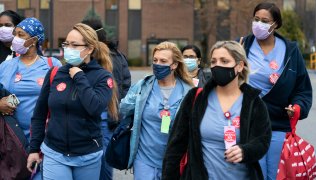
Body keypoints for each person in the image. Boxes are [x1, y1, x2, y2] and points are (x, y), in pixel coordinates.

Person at [162, 41, 272, 180]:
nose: (217, 65)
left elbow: (262, 141)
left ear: (239, 66)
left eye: (224, 61)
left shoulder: (254, 103)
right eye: (214, 61)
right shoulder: (196, 98)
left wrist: (245, 151)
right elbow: (176, 146)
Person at [27, 23, 118, 179]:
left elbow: (94, 108)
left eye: (74, 45)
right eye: (66, 44)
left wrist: (79, 76)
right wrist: (34, 149)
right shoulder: (55, 73)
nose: (68, 48)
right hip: (54, 152)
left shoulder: (103, 77)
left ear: (89, 49)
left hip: (88, 155)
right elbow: (39, 114)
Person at [239, 2, 312, 179]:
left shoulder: (291, 51)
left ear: (276, 24)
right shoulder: (241, 46)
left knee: (276, 175)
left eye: (265, 21)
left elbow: (302, 89)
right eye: (256, 19)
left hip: (278, 126)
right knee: (252, 174)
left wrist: (297, 107)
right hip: (248, 126)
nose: (259, 24)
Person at [119, 41, 193, 180]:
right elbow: (123, 108)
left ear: (174, 65)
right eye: (155, 60)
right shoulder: (144, 85)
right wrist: (135, 97)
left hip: (172, 161)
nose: (158, 64)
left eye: (163, 61)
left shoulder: (187, 91)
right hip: (144, 160)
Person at [82, 18, 131, 180]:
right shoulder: (117, 56)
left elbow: (123, 88)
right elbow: (126, 86)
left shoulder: (113, 57)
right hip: (99, 119)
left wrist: (116, 114)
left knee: (101, 164)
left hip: (105, 119)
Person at [0, 17, 61, 140]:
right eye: (15, 34)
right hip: (10, 137)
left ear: (34, 40)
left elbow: (63, 97)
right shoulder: (5, 66)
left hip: (43, 137)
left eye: (20, 35)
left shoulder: (52, 65)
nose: (15, 38)